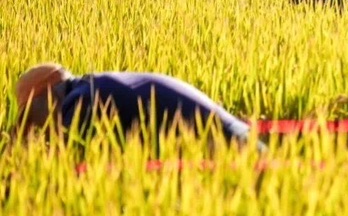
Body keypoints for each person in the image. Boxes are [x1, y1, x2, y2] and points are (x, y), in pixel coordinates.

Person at [15, 63, 264, 150]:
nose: (41, 130)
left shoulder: (79, 104)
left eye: (34, 119)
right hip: (240, 141)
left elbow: (89, 172)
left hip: (227, 156)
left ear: (48, 96)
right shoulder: (95, 85)